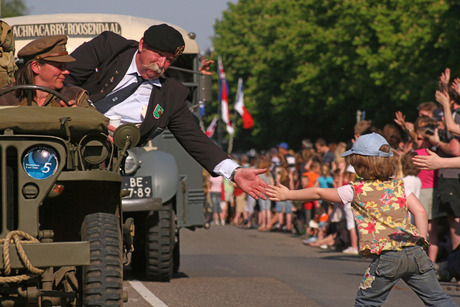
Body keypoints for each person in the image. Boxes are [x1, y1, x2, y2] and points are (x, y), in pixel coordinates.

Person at [65, 24, 268, 199]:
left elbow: (194, 137)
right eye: (159, 54)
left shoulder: (172, 95)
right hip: (65, 138)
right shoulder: (109, 47)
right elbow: (63, 76)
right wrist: (80, 105)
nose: (162, 64)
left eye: (169, 60)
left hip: (107, 161)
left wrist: (235, 172)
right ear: (142, 44)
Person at [266, 133, 455, 306]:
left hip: (388, 257)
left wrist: (288, 194)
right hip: (416, 253)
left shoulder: (355, 190)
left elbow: (318, 192)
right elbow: (420, 212)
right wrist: (421, 241)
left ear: (358, 165)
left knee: (367, 302)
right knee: (438, 300)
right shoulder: (399, 186)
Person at [0, 35, 92, 108]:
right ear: (36, 67)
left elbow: (99, 124)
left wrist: (80, 117)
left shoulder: (75, 96)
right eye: (59, 66)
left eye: (65, 66)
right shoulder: (5, 98)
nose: (66, 72)